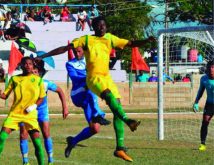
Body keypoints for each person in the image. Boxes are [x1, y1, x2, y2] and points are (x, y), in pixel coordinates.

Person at [37, 16, 155, 162]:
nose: (102, 28)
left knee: (105, 118)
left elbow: (131, 43)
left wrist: (146, 41)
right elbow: (64, 48)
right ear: (93, 27)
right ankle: (126, 120)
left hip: (106, 79)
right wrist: (44, 56)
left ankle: (119, 147)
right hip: (92, 80)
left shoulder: (110, 38)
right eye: (99, 26)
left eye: (104, 25)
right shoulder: (85, 40)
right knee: (108, 95)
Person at [0, 57, 46, 165]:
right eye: (25, 64)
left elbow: (42, 97)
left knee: (37, 143)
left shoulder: (38, 80)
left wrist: (34, 106)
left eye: (30, 64)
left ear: (33, 66)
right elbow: (5, 95)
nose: (28, 66)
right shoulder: (14, 79)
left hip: (30, 115)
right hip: (15, 113)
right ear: (21, 65)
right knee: (1, 137)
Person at [64, 46, 112, 158]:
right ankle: (98, 115)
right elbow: (75, 78)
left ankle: (73, 141)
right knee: (91, 86)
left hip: (88, 96)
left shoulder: (91, 61)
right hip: (78, 93)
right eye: (74, 51)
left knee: (95, 129)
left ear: (84, 51)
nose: (76, 53)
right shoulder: (70, 64)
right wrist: (90, 76)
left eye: (79, 51)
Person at [19, 61, 69, 165]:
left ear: (39, 73)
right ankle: (25, 161)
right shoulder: (24, 82)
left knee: (46, 134)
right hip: (26, 112)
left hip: (41, 111)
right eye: (32, 72)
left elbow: (60, 90)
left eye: (36, 72)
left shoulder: (45, 83)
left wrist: (64, 106)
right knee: (23, 134)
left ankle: (50, 160)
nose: (34, 73)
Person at [193, 60, 214, 151]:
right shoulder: (204, 79)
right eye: (209, 67)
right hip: (209, 104)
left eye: (213, 67)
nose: (211, 69)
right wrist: (196, 102)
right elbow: (200, 91)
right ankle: (203, 144)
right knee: (205, 122)